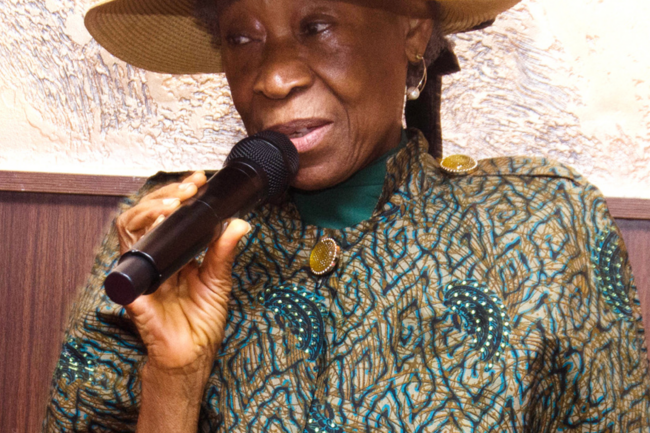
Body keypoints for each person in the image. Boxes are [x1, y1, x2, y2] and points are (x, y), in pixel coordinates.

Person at [43, 0, 650, 431]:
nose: (274, 78)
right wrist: (175, 379)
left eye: (317, 26)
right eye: (242, 38)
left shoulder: (540, 224)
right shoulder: (162, 235)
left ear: (413, 28)